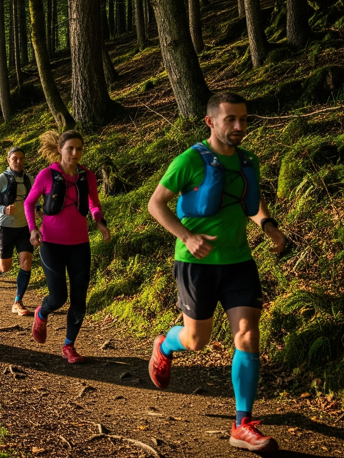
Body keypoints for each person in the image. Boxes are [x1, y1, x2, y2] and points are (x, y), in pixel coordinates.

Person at [145, 92, 286, 453]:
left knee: (247, 333)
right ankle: (165, 343)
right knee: (197, 341)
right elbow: (155, 204)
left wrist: (267, 225)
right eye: (230, 120)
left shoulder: (248, 160)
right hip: (196, 265)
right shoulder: (189, 160)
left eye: (244, 119)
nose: (239, 127)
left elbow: (249, 202)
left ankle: (242, 423)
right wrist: (187, 236)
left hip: (239, 262)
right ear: (211, 122)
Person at [24, 130, 110, 364]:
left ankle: (68, 346)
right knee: (59, 297)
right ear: (60, 150)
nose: (75, 153)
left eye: (79, 149)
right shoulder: (46, 175)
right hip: (51, 244)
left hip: (79, 245)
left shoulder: (88, 176)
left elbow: (93, 202)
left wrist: (99, 221)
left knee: (79, 298)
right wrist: (33, 229)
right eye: (70, 148)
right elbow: (29, 202)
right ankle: (42, 313)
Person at [0, 146, 36, 316]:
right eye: (15, 158)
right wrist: (3, 209)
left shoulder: (30, 179)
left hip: (24, 227)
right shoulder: (2, 178)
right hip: (5, 227)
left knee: (26, 262)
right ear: (9, 160)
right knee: (5, 267)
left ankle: (18, 302)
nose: (18, 162)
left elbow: (35, 199)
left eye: (21, 158)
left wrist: (39, 210)